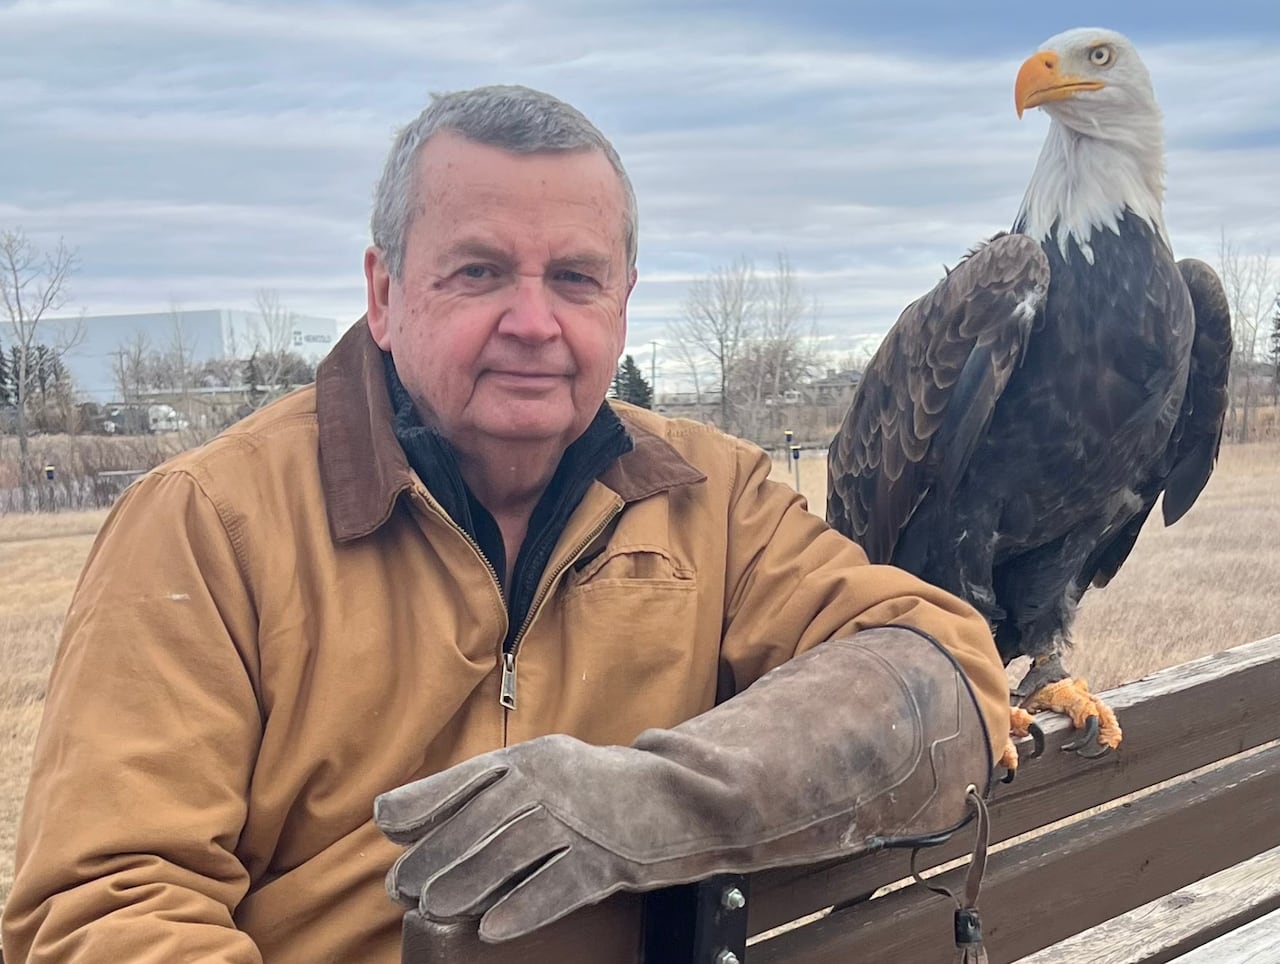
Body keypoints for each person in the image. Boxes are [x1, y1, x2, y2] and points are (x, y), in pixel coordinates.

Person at [1, 85, 1009, 964]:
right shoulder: (205, 525)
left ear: (622, 304)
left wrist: (652, 802)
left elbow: (934, 670)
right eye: (479, 271)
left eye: (574, 278)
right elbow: (105, 907)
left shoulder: (712, 494)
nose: (534, 321)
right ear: (384, 293)